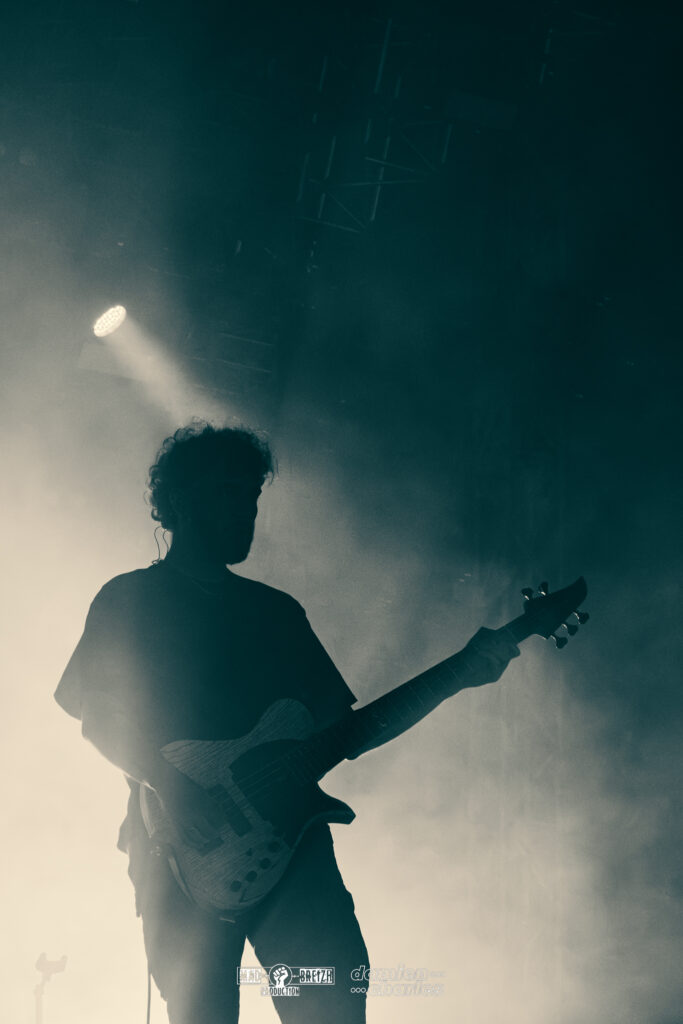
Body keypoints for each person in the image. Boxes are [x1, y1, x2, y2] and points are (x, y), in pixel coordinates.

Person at [54, 420, 519, 1024]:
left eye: (253, 497)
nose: (247, 512)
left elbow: (348, 733)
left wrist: (460, 675)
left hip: (294, 845)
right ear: (182, 500)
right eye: (230, 493)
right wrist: (170, 785)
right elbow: (96, 718)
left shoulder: (276, 612)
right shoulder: (129, 598)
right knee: (202, 1012)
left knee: (332, 1001)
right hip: (179, 847)